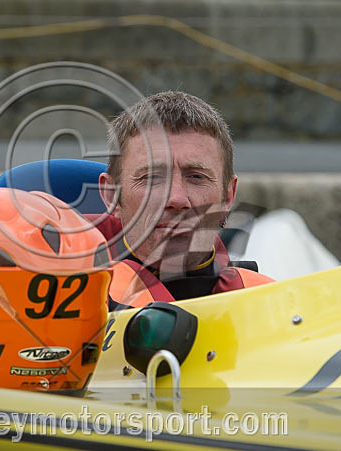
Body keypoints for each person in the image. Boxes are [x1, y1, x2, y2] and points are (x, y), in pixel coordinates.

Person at [95, 91, 273, 306]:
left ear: (228, 196)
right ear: (112, 196)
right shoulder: (71, 305)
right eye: (152, 177)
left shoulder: (273, 304)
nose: (177, 199)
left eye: (196, 177)